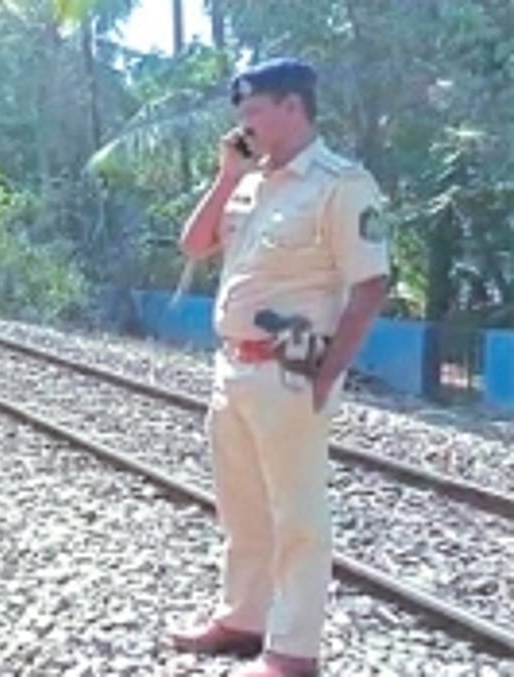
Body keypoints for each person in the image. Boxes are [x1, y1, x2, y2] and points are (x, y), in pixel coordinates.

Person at [167, 58, 390, 677]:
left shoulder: (339, 184)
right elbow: (193, 244)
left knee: (297, 516)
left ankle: (293, 651)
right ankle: (243, 617)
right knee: (241, 507)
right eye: (242, 114)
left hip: (291, 369)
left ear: (293, 107)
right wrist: (223, 176)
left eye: (256, 111)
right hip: (233, 368)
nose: (246, 124)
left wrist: (327, 374)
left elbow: (371, 285)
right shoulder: (248, 180)